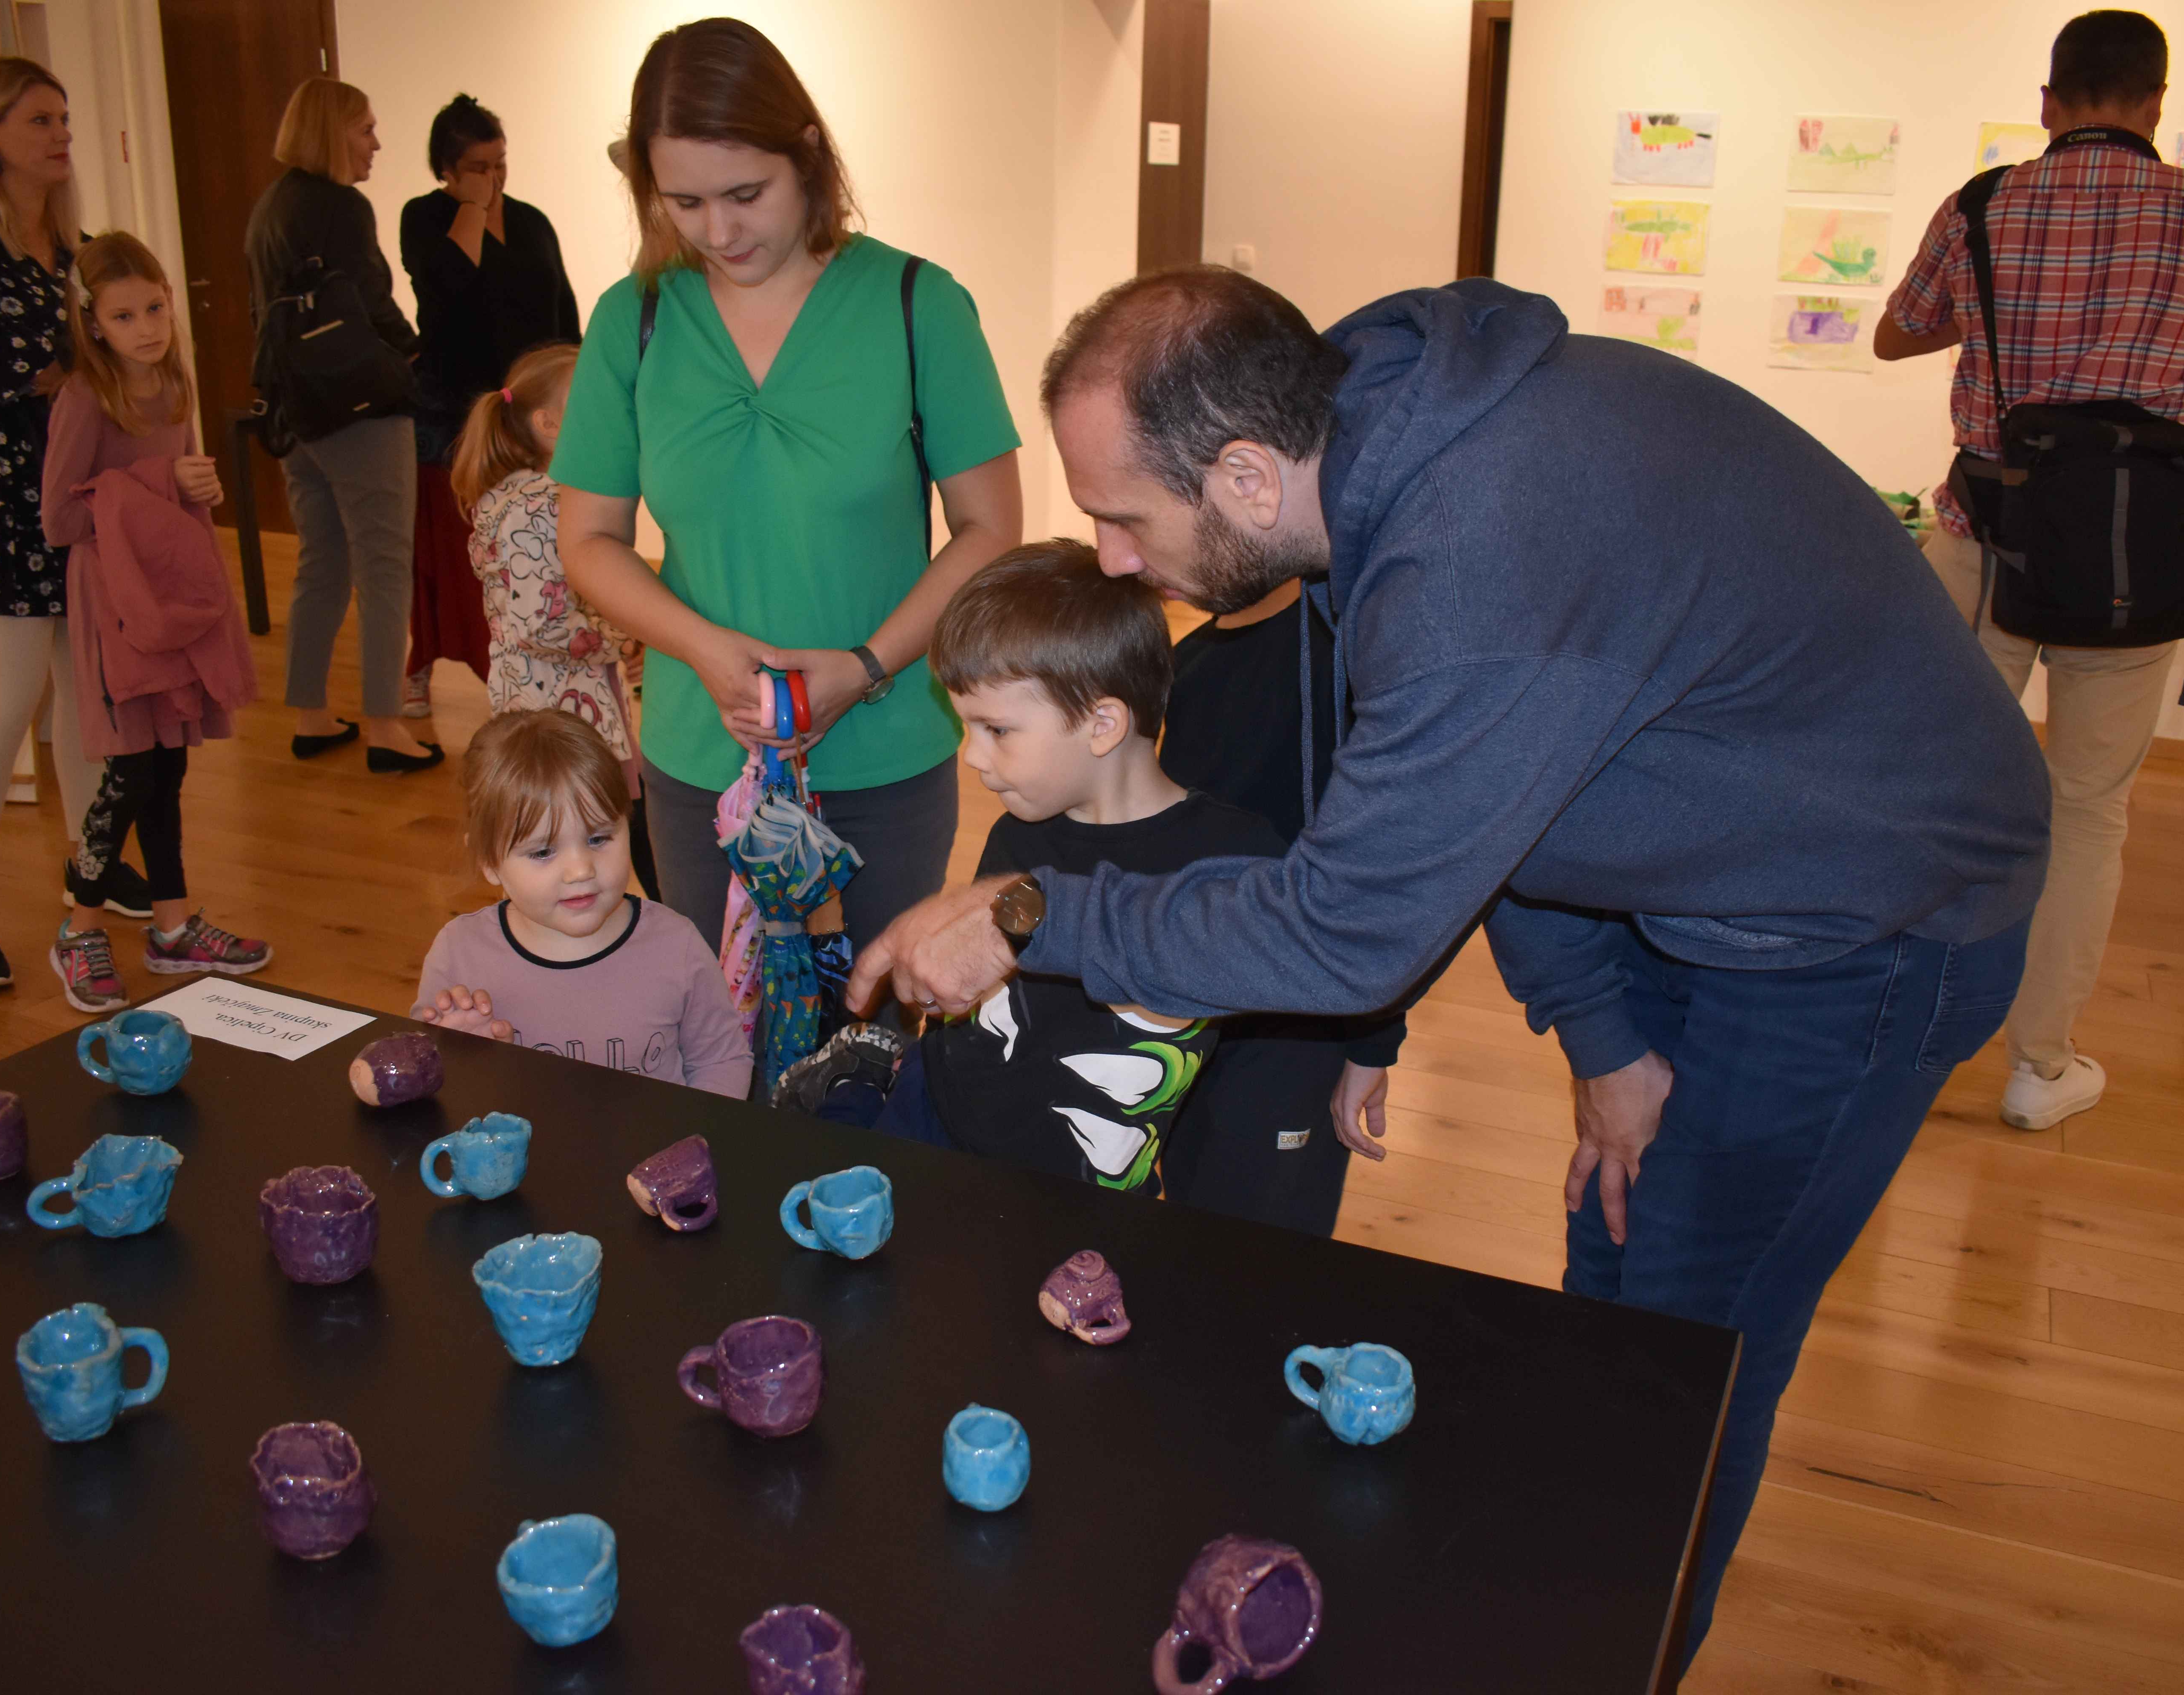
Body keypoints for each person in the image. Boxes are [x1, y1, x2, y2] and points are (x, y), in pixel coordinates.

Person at [849, 266, 2051, 1669]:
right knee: (1617, 1262)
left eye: (1124, 518)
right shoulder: (1371, 457)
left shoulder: (1479, 543)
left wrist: (1029, 913)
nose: (1110, 556)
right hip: (1697, 857)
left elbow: (1350, 931)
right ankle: (1584, 1582)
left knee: (1695, 1347)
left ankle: (1617, 1651)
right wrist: (1601, 1038)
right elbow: (1515, 810)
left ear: (1243, 474)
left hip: (1870, 923)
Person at [554, 17, 1024, 993]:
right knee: (718, 1036)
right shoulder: (630, 320)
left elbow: (991, 528)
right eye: (684, 201)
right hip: (699, 753)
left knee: (879, 1028)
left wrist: (863, 667)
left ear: (807, 155)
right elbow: (589, 542)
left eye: (744, 194)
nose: (719, 233)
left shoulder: (915, 303)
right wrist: (705, 647)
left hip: (885, 749)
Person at [1875, 8, 2184, 1132]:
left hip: (1985, 535)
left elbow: (1896, 337)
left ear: (2049, 103)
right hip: (2130, 555)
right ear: (2156, 104)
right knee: (2091, 806)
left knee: (1937, 792)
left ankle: (1893, 1027)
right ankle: (2039, 1068)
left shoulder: (1984, 202)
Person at [856, 540, 1288, 1192]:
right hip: (930, 1119)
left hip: (1081, 1189)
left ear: (1102, 724)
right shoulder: (1017, 833)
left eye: (996, 730)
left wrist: (1365, 1059)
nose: (972, 756)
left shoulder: (1235, 862)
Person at [0, 56, 147, 993]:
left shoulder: (76, 244)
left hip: (75, 489)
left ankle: (84, 864)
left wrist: (79, 361)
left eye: (63, 118)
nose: (59, 133)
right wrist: (77, 356)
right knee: (5, 706)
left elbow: (119, 349)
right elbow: (1, 347)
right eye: (38, 119)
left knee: (86, 703)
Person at [42, 232, 271, 1011]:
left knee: (168, 762)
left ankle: (172, 928)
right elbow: (59, 519)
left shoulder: (176, 385)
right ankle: (79, 930)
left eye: (155, 306)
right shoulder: (82, 399)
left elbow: (179, 491)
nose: (146, 326)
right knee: (130, 770)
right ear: (93, 324)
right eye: (124, 314)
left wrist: (192, 490)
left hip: (173, 601)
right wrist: (154, 481)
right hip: (115, 612)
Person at [1157, 578, 1401, 1234]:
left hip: (1300, 1030)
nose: (1117, 555)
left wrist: (1373, 1042)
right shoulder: (1192, 661)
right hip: (1189, 1014)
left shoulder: (1353, 660)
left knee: (1264, 1243)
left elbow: (1382, 865)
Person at [245, 76, 440, 774]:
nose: (377, 143)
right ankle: (386, 724)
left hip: (300, 415)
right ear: (333, 132)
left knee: (320, 562)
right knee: (386, 565)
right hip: (361, 409)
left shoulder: (270, 208)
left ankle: (312, 714)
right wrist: (417, 352)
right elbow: (372, 304)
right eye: (365, 129)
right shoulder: (343, 207)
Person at [412, 710, 750, 1097]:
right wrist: (453, 1055)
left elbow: (722, 1061)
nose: (580, 871)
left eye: (598, 839)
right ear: (489, 861)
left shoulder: (678, 945)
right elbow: (423, 1079)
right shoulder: (459, 954)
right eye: (542, 852)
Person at [450, 342, 658, 899]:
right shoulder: (544, 504)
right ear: (549, 424)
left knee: (602, 808)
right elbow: (541, 623)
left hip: (548, 695)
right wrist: (617, 639)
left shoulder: (509, 498)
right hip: (565, 701)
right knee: (598, 810)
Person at [398, 94, 581, 723]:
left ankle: (537, 659)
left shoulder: (531, 221)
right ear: (448, 169)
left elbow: (562, 311)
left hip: (529, 409)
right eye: (480, 166)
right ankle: (427, 664)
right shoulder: (424, 218)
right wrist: (471, 207)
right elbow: (444, 293)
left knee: (537, 538)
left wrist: (571, 388)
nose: (496, 177)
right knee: (454, 550)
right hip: (454, 414)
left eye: (501, 162)